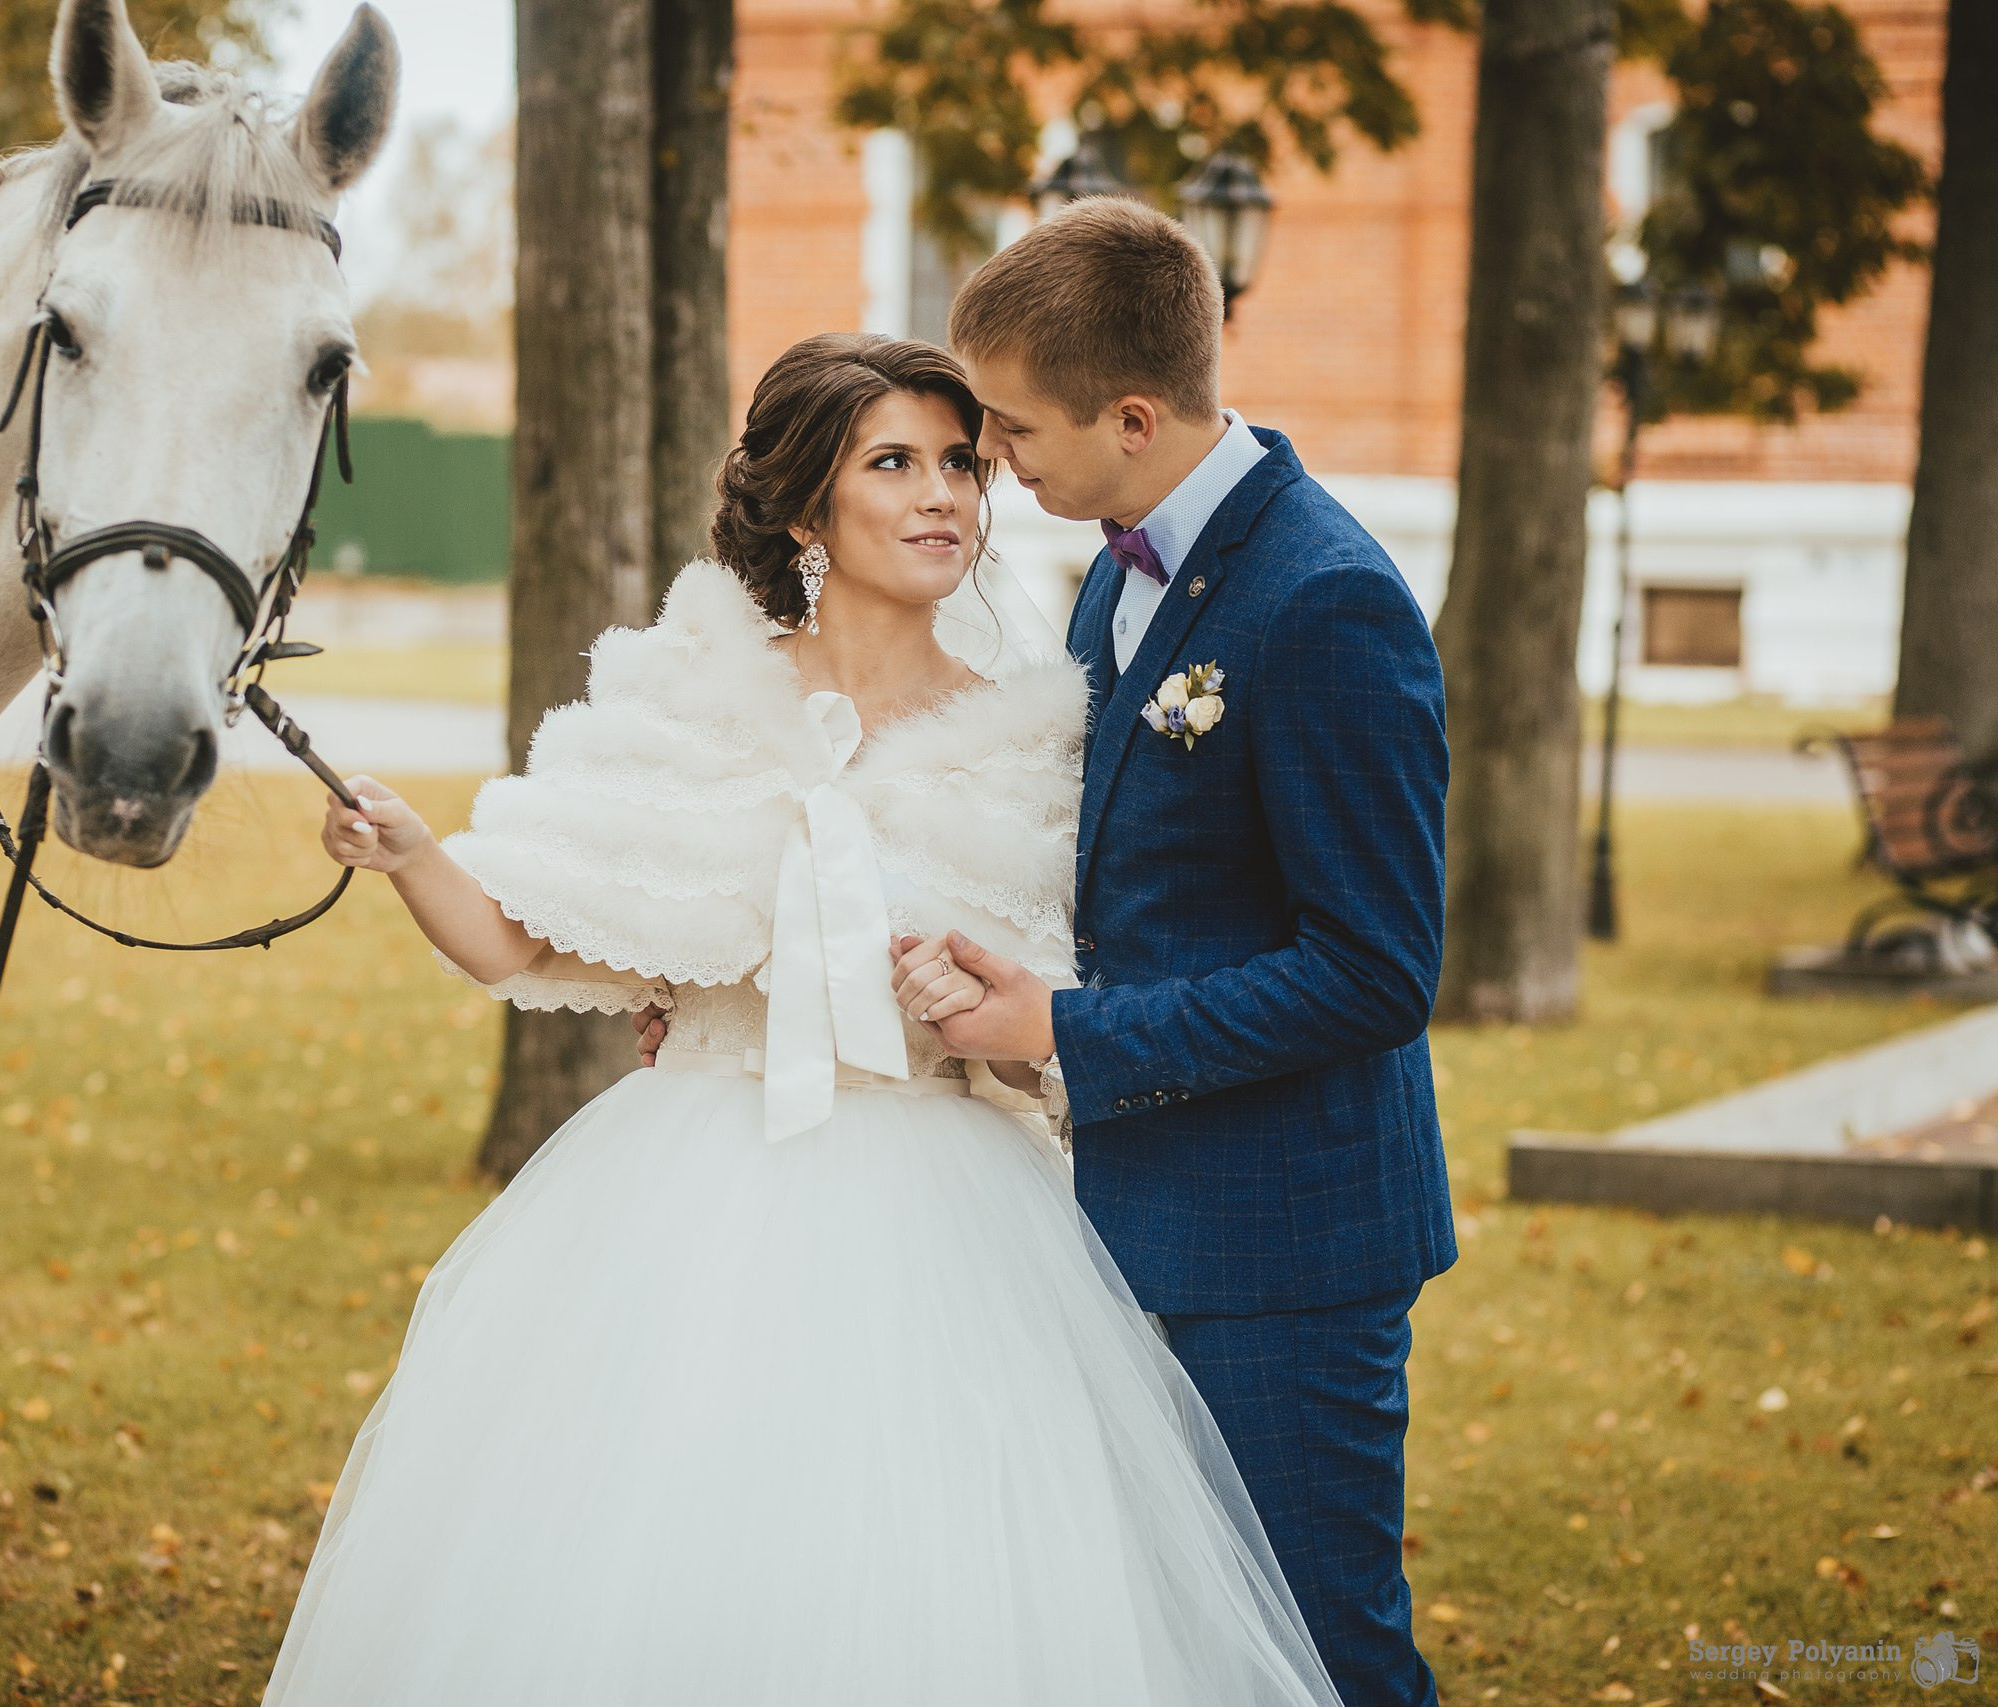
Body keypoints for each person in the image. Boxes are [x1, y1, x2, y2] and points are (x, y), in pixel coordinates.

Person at [262, 333, 1344, 1707]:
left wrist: (1005, 1024)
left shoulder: (1036, 732)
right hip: (688, 1199)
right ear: (801, 509)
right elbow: (510, 935)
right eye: (893, 463)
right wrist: (414, 852)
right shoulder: (688, 696)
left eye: (961, 460)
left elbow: (1082, 1014)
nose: (945, 491)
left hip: (957, 1227)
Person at [885, 198, 1457, 1707]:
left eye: (1010, 427)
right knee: (1188, 1649)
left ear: (1132, 417)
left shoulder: (1327, 602)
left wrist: (1067, 1033)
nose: (993, 458)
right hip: (1131, 1213)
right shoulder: (1112, 570)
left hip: (1289, 1249)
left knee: (1320, 1648)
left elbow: (1379, 970)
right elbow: (1112, 860)